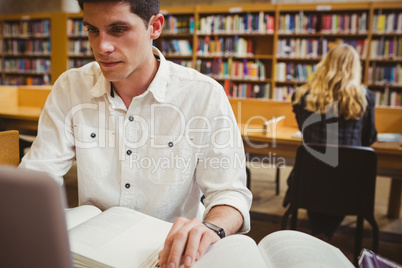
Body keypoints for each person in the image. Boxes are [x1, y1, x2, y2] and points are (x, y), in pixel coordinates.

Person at [19, 0, 252, 267]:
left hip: (168, 254)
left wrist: (213, 227)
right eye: (93, 30)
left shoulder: (203, 95)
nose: (101, 47)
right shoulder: (71, 87)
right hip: (90, 253)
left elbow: (230, 193)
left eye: (118, 29)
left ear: (155, 27)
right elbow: (37, 176)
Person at [283, 43, 377, 242]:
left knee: (321, 178)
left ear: (324, 64)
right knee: (339, 179)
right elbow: (369, 138)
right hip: (350, 185)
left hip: (309, 183)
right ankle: (324, 235)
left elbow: (304, 131)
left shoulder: (302, 96)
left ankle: (320, 234)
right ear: (355, 68)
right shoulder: (365, 97)